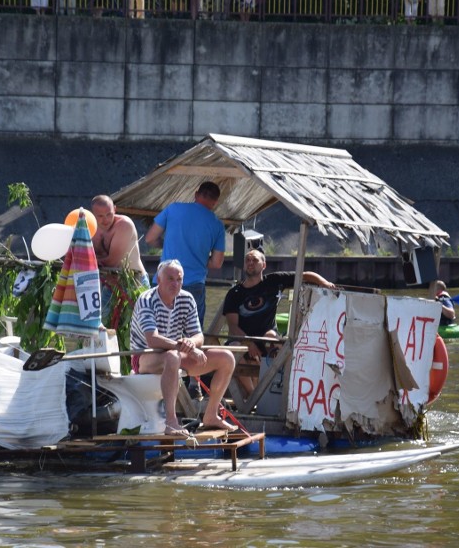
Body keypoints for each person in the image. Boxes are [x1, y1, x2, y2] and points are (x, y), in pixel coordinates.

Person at [130, 260, 237, 436]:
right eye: (170, 278)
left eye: (179, 279)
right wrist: (184, 346)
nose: (175, 283)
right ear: (158, 279)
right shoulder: (147, 300)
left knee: (227, 358)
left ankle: (211, 415)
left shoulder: (187, 299)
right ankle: (171, 422)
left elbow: (199, 336)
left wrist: (190, 343)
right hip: (145, 357)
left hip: (177, 354)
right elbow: (152, 340)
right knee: (172, 357)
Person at [223, 249, 335, 394]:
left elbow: (306, 275)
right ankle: (253, 396)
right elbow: (233, 327)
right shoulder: (235, 293)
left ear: (264, 265)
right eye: (247, 260)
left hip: (266, 338)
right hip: (242, 339)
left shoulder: (274, 281)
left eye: (255, 260)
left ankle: (279, 391)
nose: (250, 263)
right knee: (234, 348)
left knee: (273, 338)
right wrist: (248, 342)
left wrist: (326, 284)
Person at [144, 181, 225, 329]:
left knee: (158, 330)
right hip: (194, 285)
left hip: (164, 280)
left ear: (196, 194)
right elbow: (217, 263)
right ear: (215, 203)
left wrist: (166, 244)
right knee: (192, 335)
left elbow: (149, 238)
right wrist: (198, 257)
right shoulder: (217, 225)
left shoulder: (173, 208)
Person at [90, 194, 150, 310]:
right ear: (92, 215)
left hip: (134, 282)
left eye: (109, 214)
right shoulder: (89, 227)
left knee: (141, 323)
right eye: (100, 216)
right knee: (104, 324)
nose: (105, 220)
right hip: (108, 284)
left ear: (115, 209)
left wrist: (89, 261)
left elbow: (112, 262)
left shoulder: (124, 225)